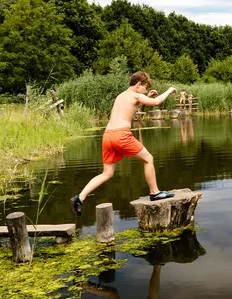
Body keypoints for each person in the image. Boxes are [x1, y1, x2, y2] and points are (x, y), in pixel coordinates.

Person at [71, 72, 176, 215]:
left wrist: (146, 97)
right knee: (148, 159)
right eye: (145, 88)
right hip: (121, 134)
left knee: (107, 173)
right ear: (138, 84)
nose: (145, 91)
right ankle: (155, 192)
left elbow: (130, 109)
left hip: (108, 136)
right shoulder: (135, 95)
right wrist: (169, 90)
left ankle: (79, 198)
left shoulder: (121, 96)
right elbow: (157, 102)